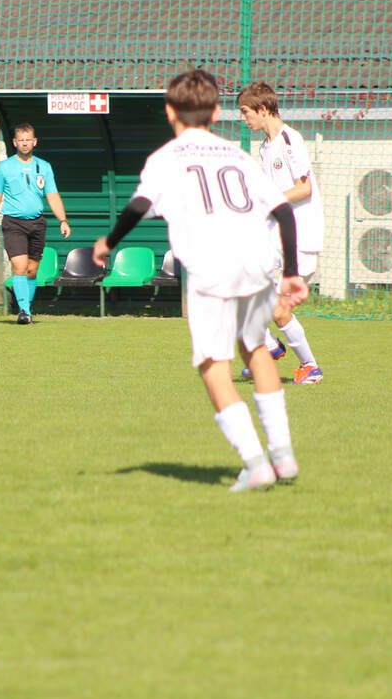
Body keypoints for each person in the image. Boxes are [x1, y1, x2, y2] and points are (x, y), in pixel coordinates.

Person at [93, 68, 308, 492]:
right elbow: (283, 210)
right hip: (258, 263)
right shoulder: (238, 155)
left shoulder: (166, 158)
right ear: (215, 112)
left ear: (170, 112)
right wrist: (291, 273)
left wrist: (108, 241)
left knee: (213, 365)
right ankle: (283, 456)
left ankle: (256, 464)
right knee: (255, 349)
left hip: (213, 268)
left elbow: (138, 205)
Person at [237, 82, 325, 385]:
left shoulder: (290, 140)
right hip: (277, 236)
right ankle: (270, 347)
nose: (244, 119)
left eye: (246, 112)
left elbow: (304, 188)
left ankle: (310, 367)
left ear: (263, 110)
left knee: (277, 310)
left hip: (300, 239)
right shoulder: (266, 146)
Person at [0, 122, 71, 324]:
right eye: (21, 140)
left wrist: (63, 220)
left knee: (32, 270)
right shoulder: (4, 168)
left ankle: (27, 308)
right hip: (13, 223)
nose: (24, 144)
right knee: (20, 266)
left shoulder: (44, 167)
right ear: (15, 142)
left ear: (34, 142)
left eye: (28, 140)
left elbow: (52, 196)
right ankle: (23, 311)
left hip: (37, 224)